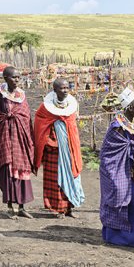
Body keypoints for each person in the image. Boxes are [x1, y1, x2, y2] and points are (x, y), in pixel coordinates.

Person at [100, 88, 134, 248]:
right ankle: (122, 237)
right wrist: (118, 174)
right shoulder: (117, 126)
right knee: (131, 204)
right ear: (130, 107)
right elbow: (109, 154)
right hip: (119, 172)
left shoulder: (133, 123)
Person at [34, 78, 85, 218]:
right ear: (54, 90)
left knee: (71, 176)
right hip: (53, 149)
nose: (65, 91)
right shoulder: (45, 108)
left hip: (69, 147)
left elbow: (72, 127)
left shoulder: (71, 107)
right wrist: (50, 140)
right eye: (62, 88)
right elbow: (40, 124)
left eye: (67, 87)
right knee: (55, 179)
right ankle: (57, 209)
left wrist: (70, 143)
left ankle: (69, 208)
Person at [0, 66, 35, 219]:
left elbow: (26, 117)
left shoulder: (22, 96)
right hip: (5, 138)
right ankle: (10, 207)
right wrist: (7, 119)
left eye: (18, 77)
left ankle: (22, 207)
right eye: (13, 77)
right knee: (9, 170)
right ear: (5, 78)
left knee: (22, 169)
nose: (16, 80)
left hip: (20, 138)